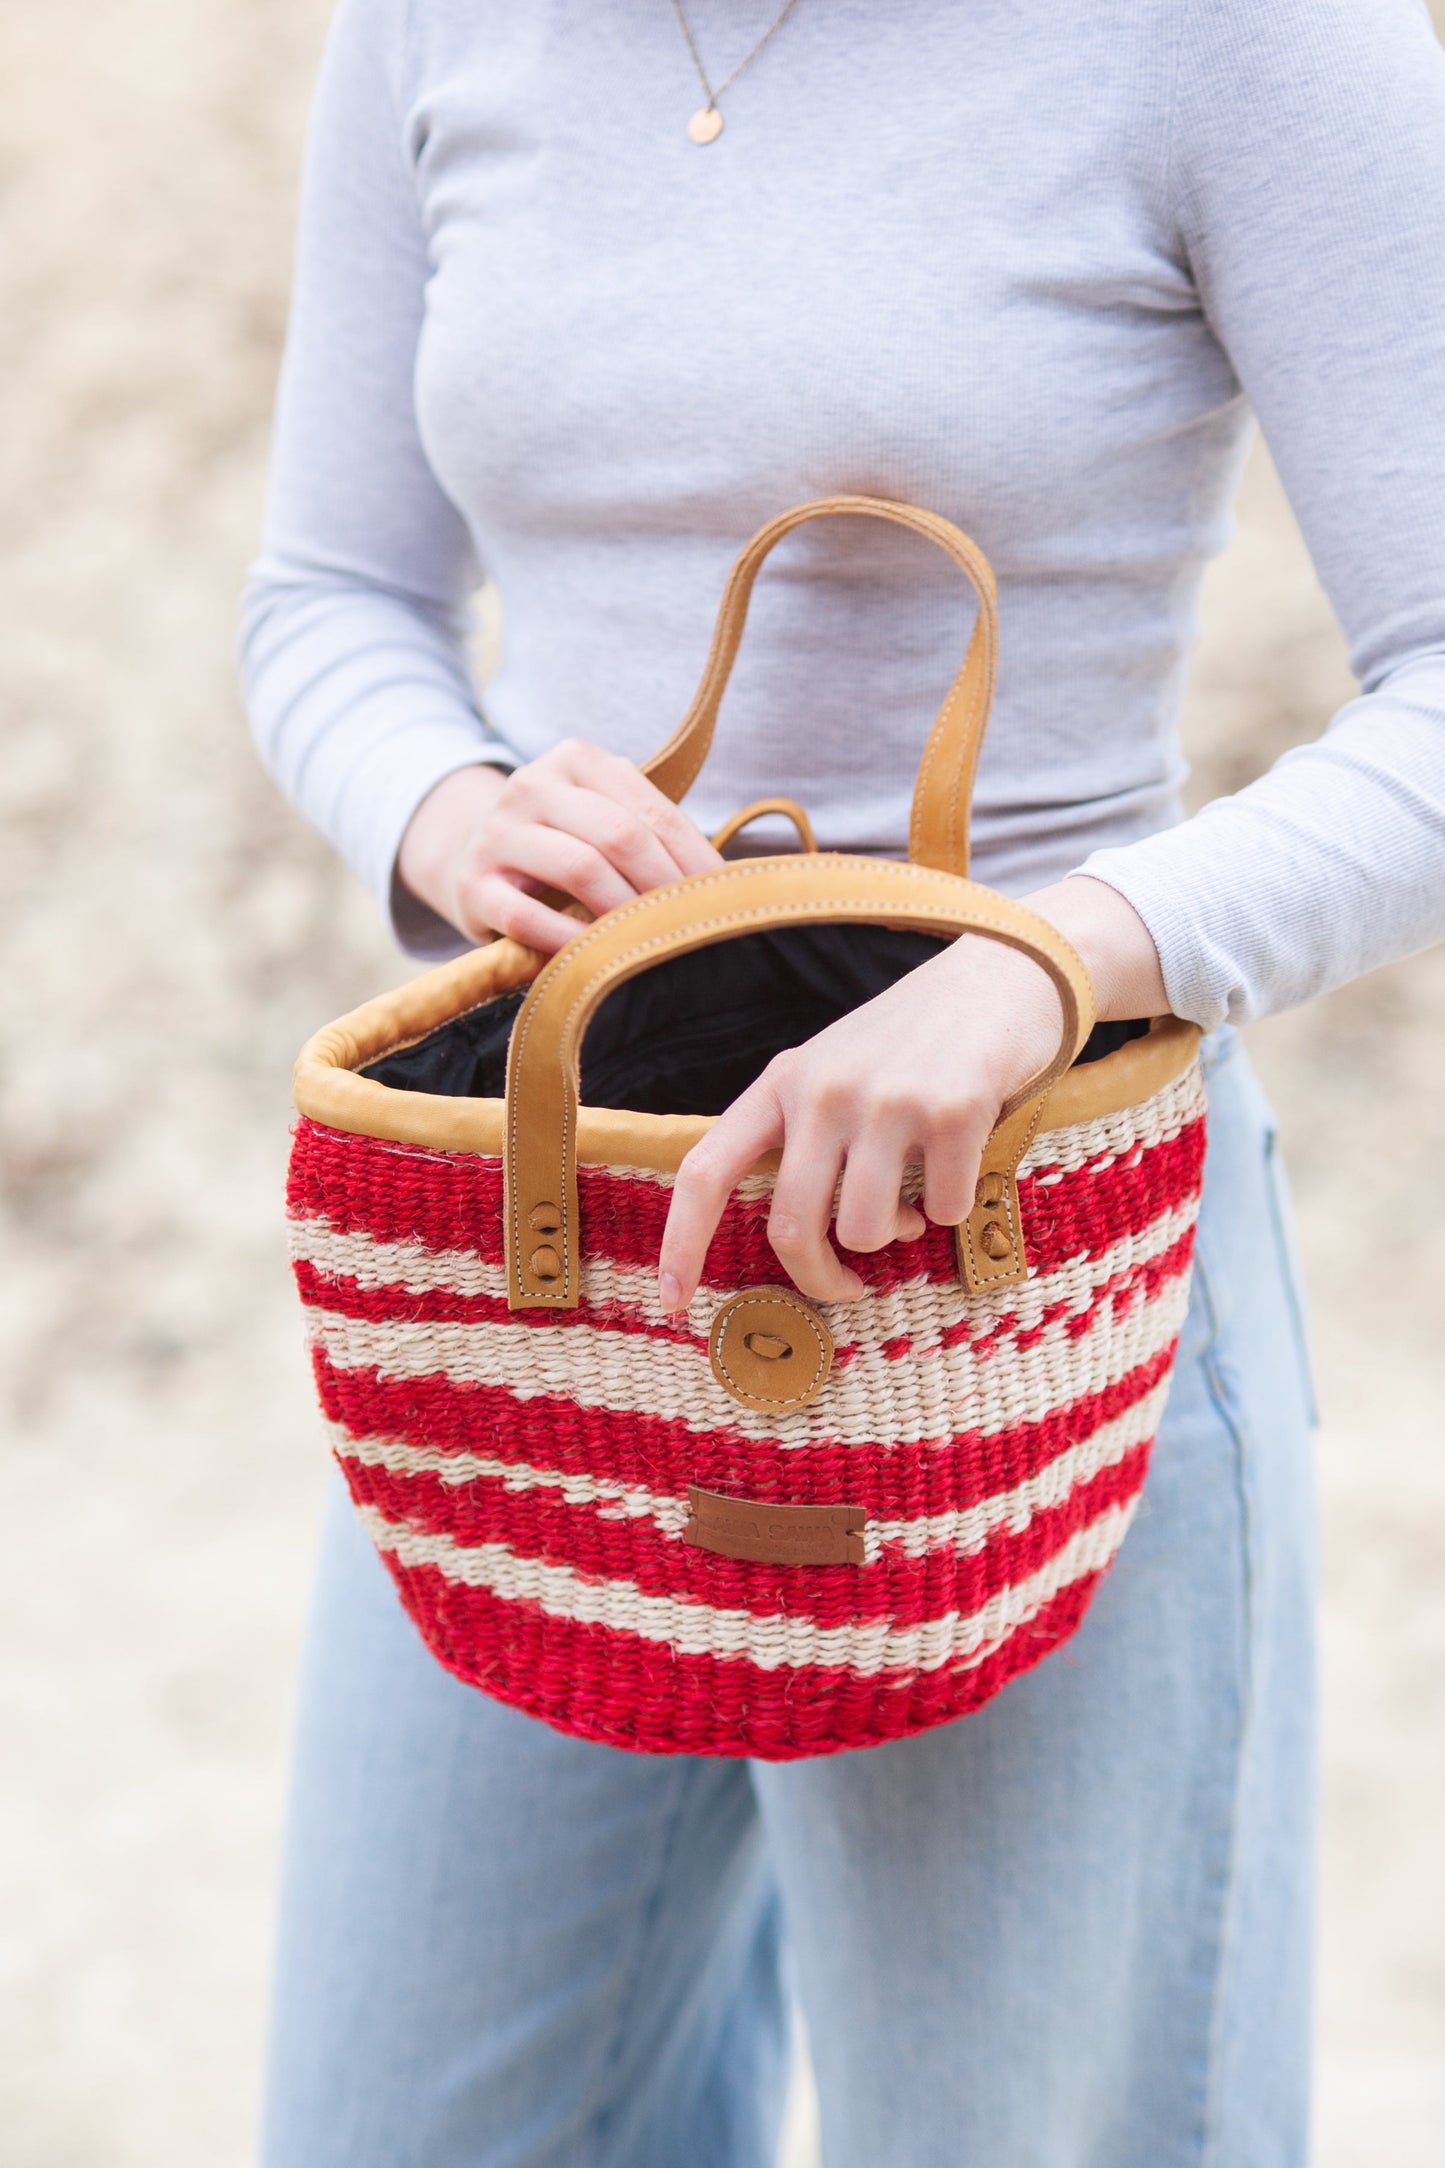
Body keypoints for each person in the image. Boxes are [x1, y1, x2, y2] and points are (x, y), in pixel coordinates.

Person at [241, 3, 1445, 2161]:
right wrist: (450, 801)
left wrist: (1051, 960)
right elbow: (330, 593)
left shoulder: (1237, 37)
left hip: (1036, 1269)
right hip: (531, 1267)